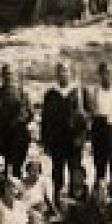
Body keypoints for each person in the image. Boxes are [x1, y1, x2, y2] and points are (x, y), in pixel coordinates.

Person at [39, 61, 87, 203]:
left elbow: (87, 117)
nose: (62, 74)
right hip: (57, 141)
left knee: (75, 172)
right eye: (60, 71)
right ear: (56, 74)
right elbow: (45, 119)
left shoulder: (80, 92)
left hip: (74, 141)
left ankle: (75, 202)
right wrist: (45, 141)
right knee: (57, 173)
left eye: (65, 71)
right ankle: (57, 202)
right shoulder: (51, 94)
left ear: (70, 73)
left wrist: (82, 137)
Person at [0, 64, 34, 178]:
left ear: (15, 76)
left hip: (17, 140)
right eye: (5, 74)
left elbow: (30, 115)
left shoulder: (22, 95)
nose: (8, 77)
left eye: (10, 74)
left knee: (16, 171)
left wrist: (20, 120)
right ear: (1, 76)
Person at [84, 61, 112, 189]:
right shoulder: (95, 91)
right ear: (99, 75)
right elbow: (91, 113)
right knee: (100, 167)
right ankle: (98, 198)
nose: (107, 76)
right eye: (104, 73)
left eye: (109, 73)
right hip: (99, 130)